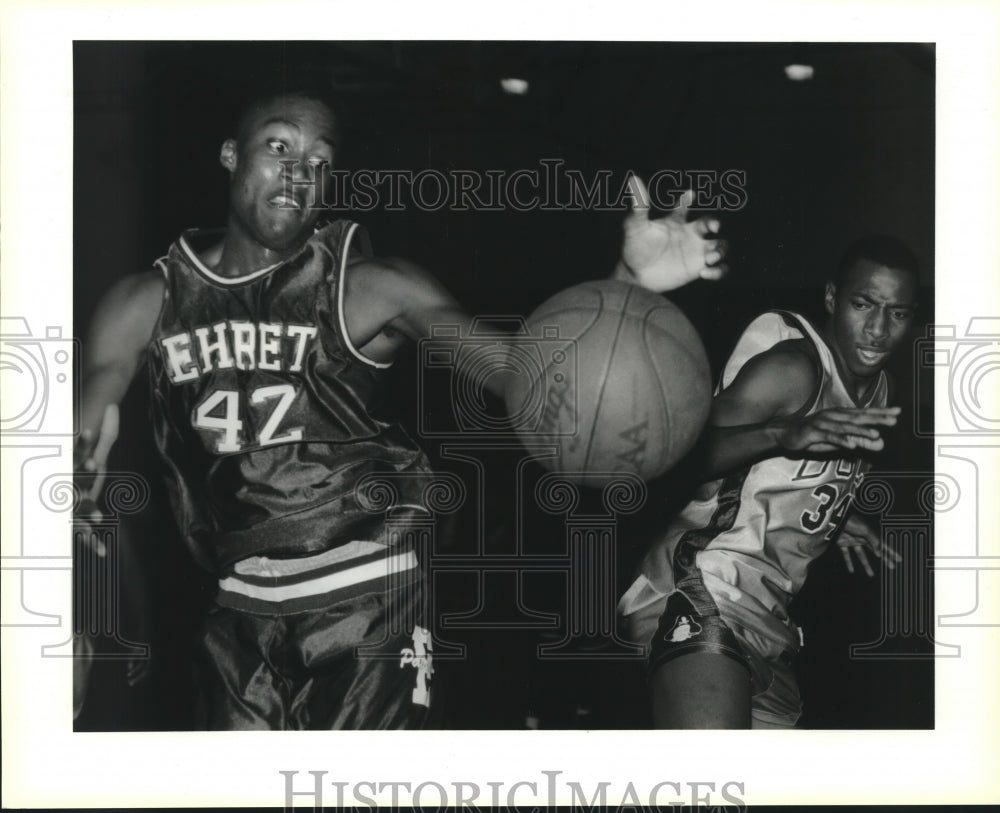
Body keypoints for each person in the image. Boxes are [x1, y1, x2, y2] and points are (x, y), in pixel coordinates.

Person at [74, 85, 728, 730]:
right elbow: (84, 426)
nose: (299, 173)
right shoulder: (148, 301)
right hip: (240, 603)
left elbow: (531, 378)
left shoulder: (367, 288)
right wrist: (79, 477)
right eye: (279, 147)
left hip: (366, 591)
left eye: (320, 162)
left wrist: (628, 282)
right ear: (229, 155)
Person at [617, 235, 918, 728]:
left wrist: (836, 517)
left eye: (898, 313)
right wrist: (783, 432)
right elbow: (676, 457)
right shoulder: (792, 370)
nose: (878, 329)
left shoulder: (879, 389)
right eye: (862, 305)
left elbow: (768, 479)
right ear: (830, 299)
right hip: (704, 587)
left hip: (768, 619)